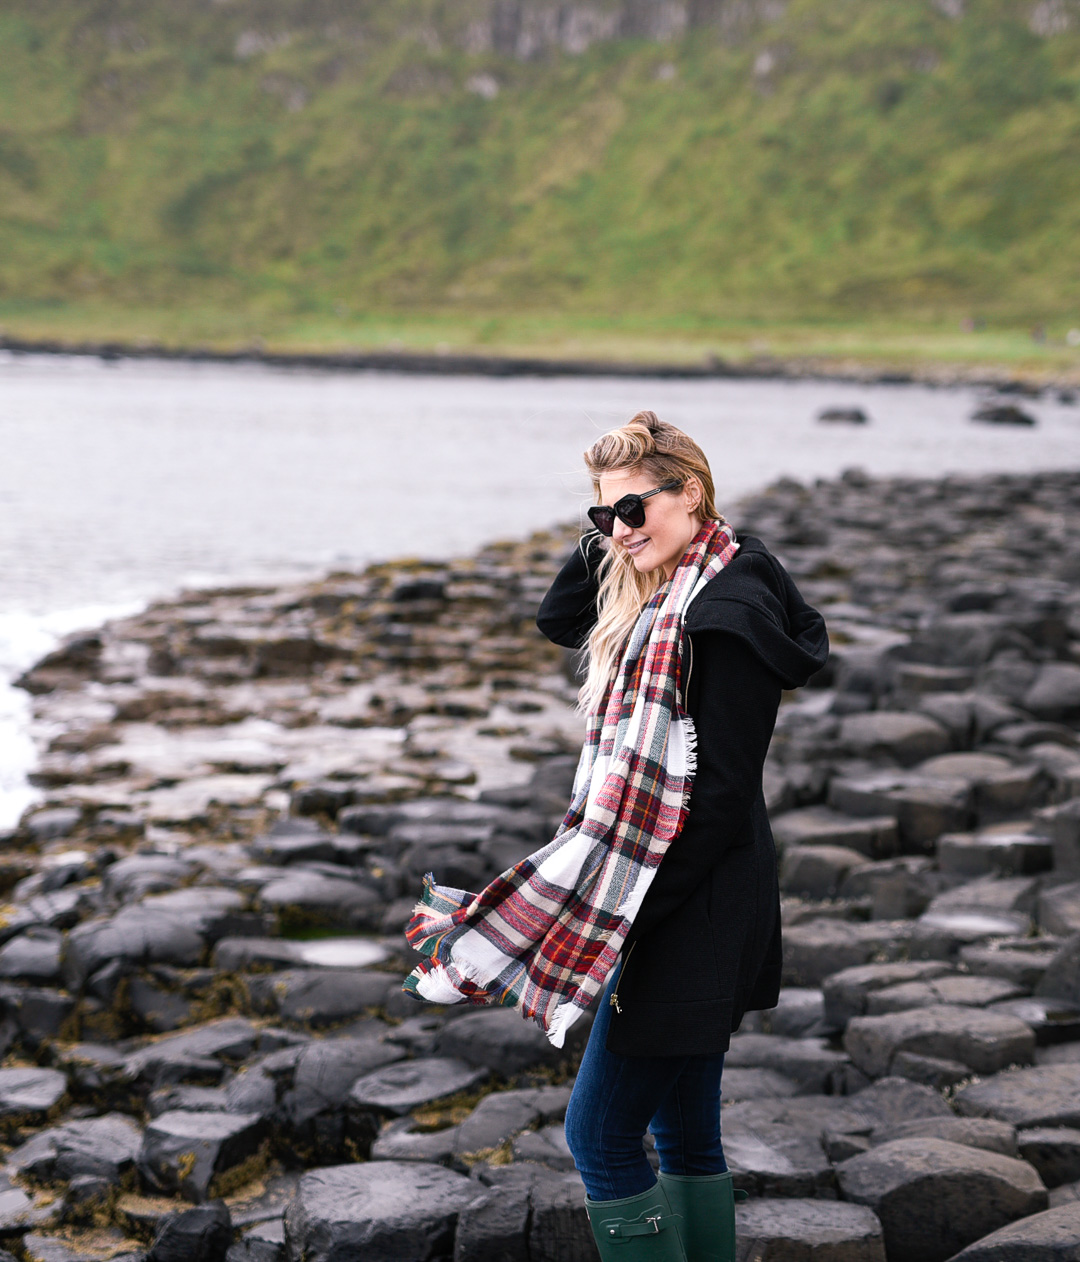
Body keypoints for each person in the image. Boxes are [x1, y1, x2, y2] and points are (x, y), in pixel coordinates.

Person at [535, 411, 828, 1262]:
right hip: (694, 901)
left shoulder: (723, 616)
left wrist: (630, 914)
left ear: (691, 494)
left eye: (634, 510)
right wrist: (621, 527)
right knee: (688, 1139)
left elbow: (723, 796)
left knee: (597, 1140)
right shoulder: (678, 584)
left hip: (690, 909)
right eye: (602, 515)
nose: (618, 532)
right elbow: (559, 618)